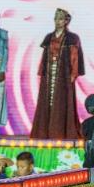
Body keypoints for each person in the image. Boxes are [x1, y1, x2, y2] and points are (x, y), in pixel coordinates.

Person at [30, 9, 85, 140]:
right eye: (56, 18)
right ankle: (44, 132)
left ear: (66, 21)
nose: (57, 21)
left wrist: (73, 73)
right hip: (49, 74)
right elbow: (44, 56)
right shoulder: (49, 37)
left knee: (62, 102)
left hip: (63, 74)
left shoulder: (72, 38)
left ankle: (60, 132)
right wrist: (42, 71)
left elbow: (74, 57)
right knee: (47, 102)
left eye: (60, 19)